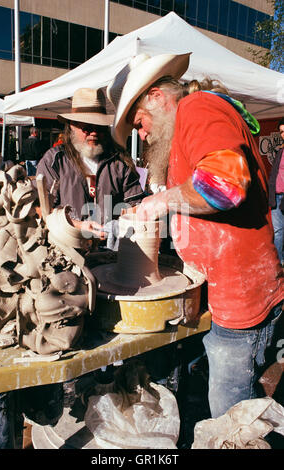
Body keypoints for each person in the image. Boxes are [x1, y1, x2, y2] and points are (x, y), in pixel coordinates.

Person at [106, 53, 284, 419]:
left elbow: (224, 187)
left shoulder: (198, 108)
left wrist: (159, 203)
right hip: (217, 287)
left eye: (139, 123)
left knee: (229, 412)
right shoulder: (188, 122)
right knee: (210, 391)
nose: (142, 135)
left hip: (242, 295)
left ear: (156, 96)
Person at [36, 87, 144, 239]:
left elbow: (134, 203)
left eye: (99, 127)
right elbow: (41, 209)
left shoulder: (119, 161)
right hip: (67, 246)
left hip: (110, 249)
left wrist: (120, 224)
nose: (94, 132)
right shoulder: (55, 160)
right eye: (87, 128)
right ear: (72, 125)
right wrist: (77, 225)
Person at [268, 118, 284, 265]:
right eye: (281, 132)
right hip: (276, 196)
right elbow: (275, 174)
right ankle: (279, 262)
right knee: (278, 232)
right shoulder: (280, 151)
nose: (283, 134)